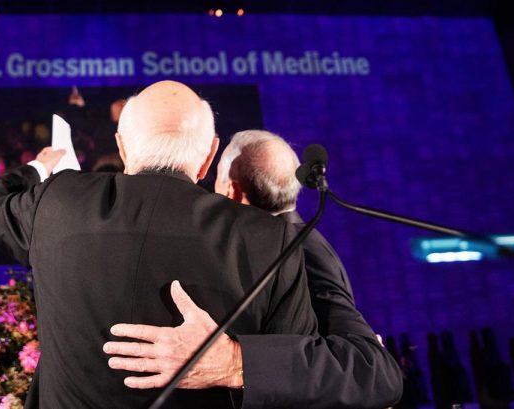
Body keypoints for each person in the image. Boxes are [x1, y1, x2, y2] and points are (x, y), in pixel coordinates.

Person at [0, 81, 317, 408]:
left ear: (121, 146)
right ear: (210, 155)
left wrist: (38, 168)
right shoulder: (272, 238)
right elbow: (300, 375)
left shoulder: (55, 203)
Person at [103, 130, 403, 408]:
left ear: (232, 191)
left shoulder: (302, 249)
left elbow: (373, 370)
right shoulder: (270, 244)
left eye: (216, 181)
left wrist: (235, 361)